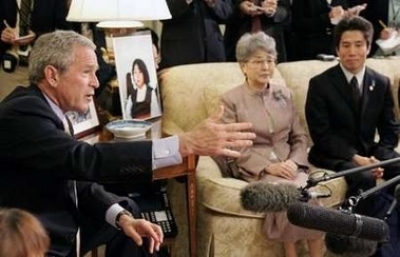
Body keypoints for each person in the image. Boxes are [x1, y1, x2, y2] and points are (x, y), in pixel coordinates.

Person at [0, 30, 256, 257]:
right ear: (52, 75)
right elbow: (86, 160)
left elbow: (77, 180)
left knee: (130, 215)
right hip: (32, 240)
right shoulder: (23, 114)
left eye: (96, 73)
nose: (96, 83)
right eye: (87, 72)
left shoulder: (49, 109)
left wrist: (122, 218)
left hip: (60, 220)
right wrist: (183, 144)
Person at [220, 31, 324, 257]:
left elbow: (299, 137)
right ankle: (291, 253)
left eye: (270, 60)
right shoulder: (231, 100)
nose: (266, 66)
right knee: (287, 196)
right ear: (243, 66)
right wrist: (268, 166)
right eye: (258, 61)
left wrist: (294, 163)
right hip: (256, 168)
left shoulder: (284, 94)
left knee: (310, 194)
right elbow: (234, 145)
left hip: (290, 165)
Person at [305, 16, 400, 256]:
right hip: (332, 152)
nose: (352, 51)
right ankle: (365, 246)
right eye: (346, 45)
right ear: (337, 49)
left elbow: (390, 130)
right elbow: (321, 134)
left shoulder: (380, 82)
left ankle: (390, 239)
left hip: (369, 150)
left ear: (368, 47)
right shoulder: (320, 84)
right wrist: (357, 158)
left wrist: (382, 159)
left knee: (397, 167)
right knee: (365, 177)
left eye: (359, 45)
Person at [0, 0, 70, 100]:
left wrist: (37, 37)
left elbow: (65, 34)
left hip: (42, 71)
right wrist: (3, 34)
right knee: (8, 112)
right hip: (10, 70)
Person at [160, 0, 233, 69]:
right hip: (180, 54)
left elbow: (229, 13)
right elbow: (161, 12)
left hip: (213, 53)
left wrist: (213, 3)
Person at [291, 0, 366, 61]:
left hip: (335, 50)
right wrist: (327, 17)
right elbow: (296, 24)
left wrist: (349, 16)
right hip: (310, 52)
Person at [224, 0, 291, 63]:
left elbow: (286, 13)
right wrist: (241, 8)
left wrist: (272, 11)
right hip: (237, 41)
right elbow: (224, 10)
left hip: (272, 44)